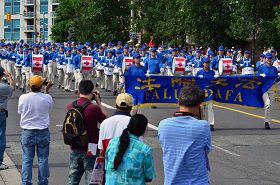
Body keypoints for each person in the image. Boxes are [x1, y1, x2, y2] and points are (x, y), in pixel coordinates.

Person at [158, 85, 211, 185]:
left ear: (178, 102)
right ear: (199, 105)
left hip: (172, 181)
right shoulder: (203, 126)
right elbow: (206, 150)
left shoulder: (163, 124)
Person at [67, 80, 107, 185]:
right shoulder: (93, 108)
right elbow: (105, 120)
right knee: (91, 178)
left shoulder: (70, 105)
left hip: (74, 145)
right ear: (92, 92)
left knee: (73, 177)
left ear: (79, 90)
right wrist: (98, 102)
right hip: (91, 147)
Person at [18, 75, 53, 185]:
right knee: (43, 159)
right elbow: (49, 106)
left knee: (27, 159)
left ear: (29, 86)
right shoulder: (47, 97)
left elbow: (20, 111)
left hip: (27, 131)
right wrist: (47, 90)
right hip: (43, 131)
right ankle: (43, 182)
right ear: (41, 86)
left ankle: (26, 182)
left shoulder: (23, 97)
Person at [105, 114, 155, 185]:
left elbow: (107, 166)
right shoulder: (144, 149)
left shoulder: (112, 142)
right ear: (143, 130)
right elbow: (149, 176)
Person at [258, 53, 278, 129]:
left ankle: (267, 121)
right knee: (267, 104)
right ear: (265, 59)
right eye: (268, 58)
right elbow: (257, 78)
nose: (269, 60)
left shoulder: (274, 69)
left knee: (270, 106)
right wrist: (260, 76)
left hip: (272, 89)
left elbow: (276, 80)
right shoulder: (261, 68)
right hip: (264, 89)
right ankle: (266, 122)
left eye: (270, 58)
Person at [0, 67, 14, 170]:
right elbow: (12, 87)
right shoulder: (3, 87)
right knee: (1, 137)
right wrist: (9, 76)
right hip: (1, 113)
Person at [196, 57, 216, 131]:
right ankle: (202, 123)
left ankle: (211, 124)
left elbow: (214, 83)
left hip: (210, 92)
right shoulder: (199, 72)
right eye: (206, 62)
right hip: (201, 92)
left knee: (210, 108)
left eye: (208, 62)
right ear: (203, 63)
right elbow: (196, 82)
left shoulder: (212, 72)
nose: (207, 64)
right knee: (201, 108)